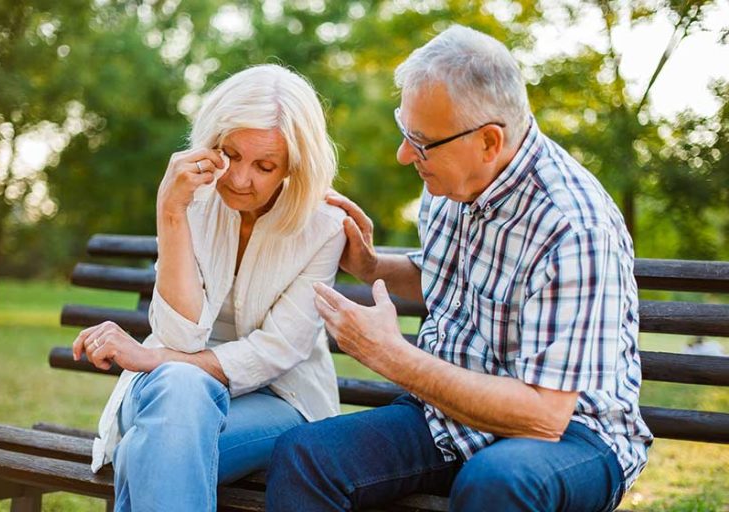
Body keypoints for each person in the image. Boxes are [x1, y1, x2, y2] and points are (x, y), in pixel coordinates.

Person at [266, 25, 653, 512]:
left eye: (422, 142)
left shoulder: (573, 227)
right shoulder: (450, 182)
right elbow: (445, 280)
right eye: (406, 131)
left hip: (572, 434)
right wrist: (368, 264)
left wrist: (393, 355)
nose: (405, 155)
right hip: (447, 414)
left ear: (489, 141)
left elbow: (544, 415)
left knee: (497, 481)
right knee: (306, 457)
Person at [71, 64, 346, 511]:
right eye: (231, 155)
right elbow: (181, 336)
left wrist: (157, 357)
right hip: (166, 392)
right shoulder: (193, 199)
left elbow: (276, 351)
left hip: (278, 400)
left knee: (150, 446)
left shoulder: (324, 228)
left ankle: (154, 431)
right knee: (179, 390)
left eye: (265, 165)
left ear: (294, 163)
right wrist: (171, 211)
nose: (239, 179)